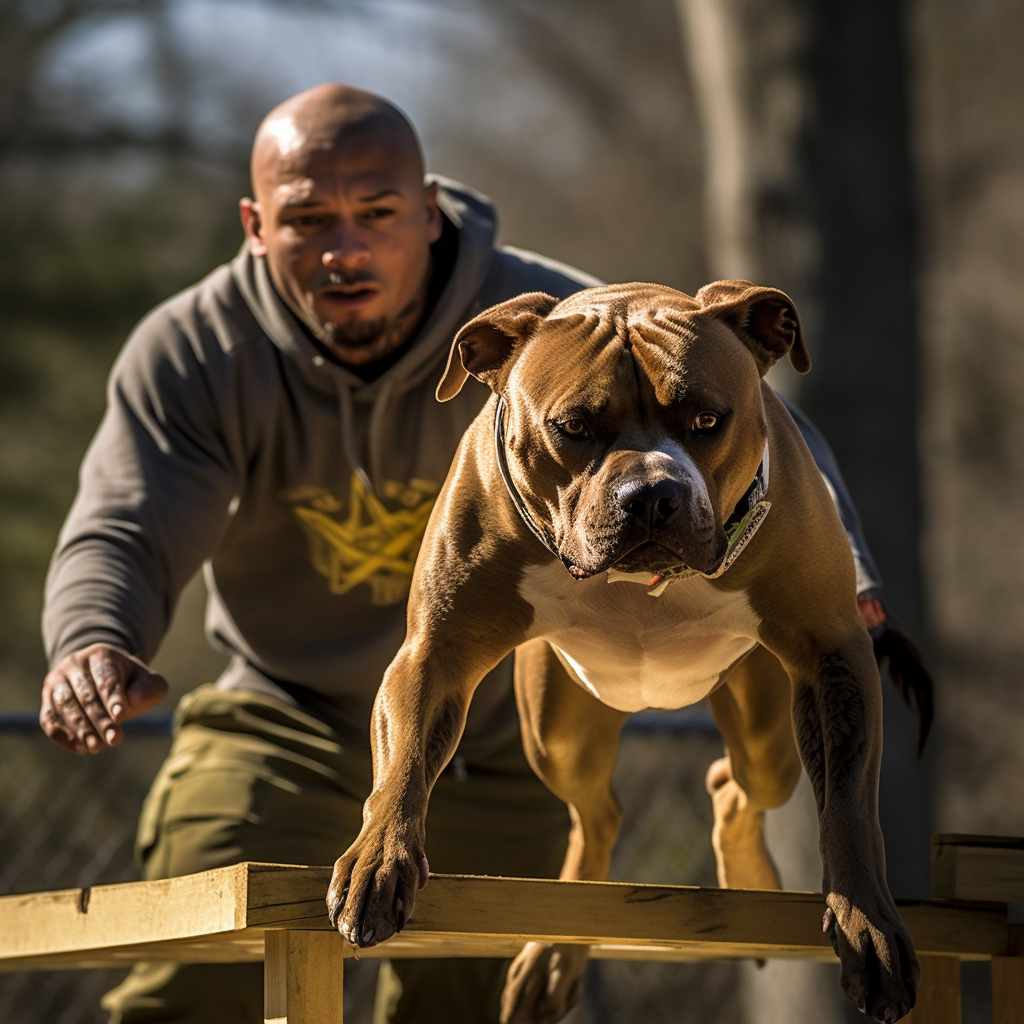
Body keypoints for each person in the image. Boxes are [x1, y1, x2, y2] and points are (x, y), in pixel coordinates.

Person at [39, 83, 897, 1024]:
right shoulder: (196, 352)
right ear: (253, 223)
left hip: (496, 747)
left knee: (462, 1003)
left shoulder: (571, 317)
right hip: (284, 714)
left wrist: (850, 575)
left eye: (376, 213)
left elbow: (763, 426)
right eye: (307, 218)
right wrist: (93, 634)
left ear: (429, 207)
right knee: (194, 981)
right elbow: (128, 514)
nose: (346, 247)